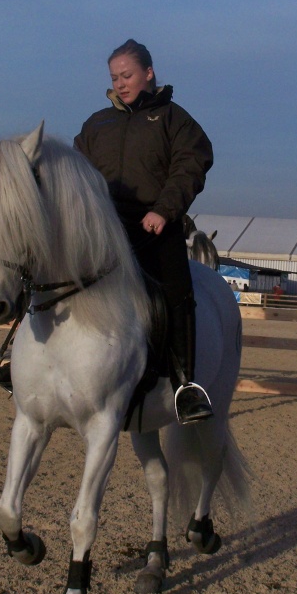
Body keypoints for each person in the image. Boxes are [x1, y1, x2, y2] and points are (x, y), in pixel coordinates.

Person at [74, 39, 214, 423]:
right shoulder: (97, 123)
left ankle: (186, 386)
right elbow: (75, 173)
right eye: (114, 77)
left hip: (154, 226)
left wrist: (164, 210)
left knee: (177, 292)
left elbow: (191, 164)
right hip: (104, 228)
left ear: (149, 73)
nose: (120, 83)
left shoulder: (174, 119)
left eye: (127, 75)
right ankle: (21, 360)